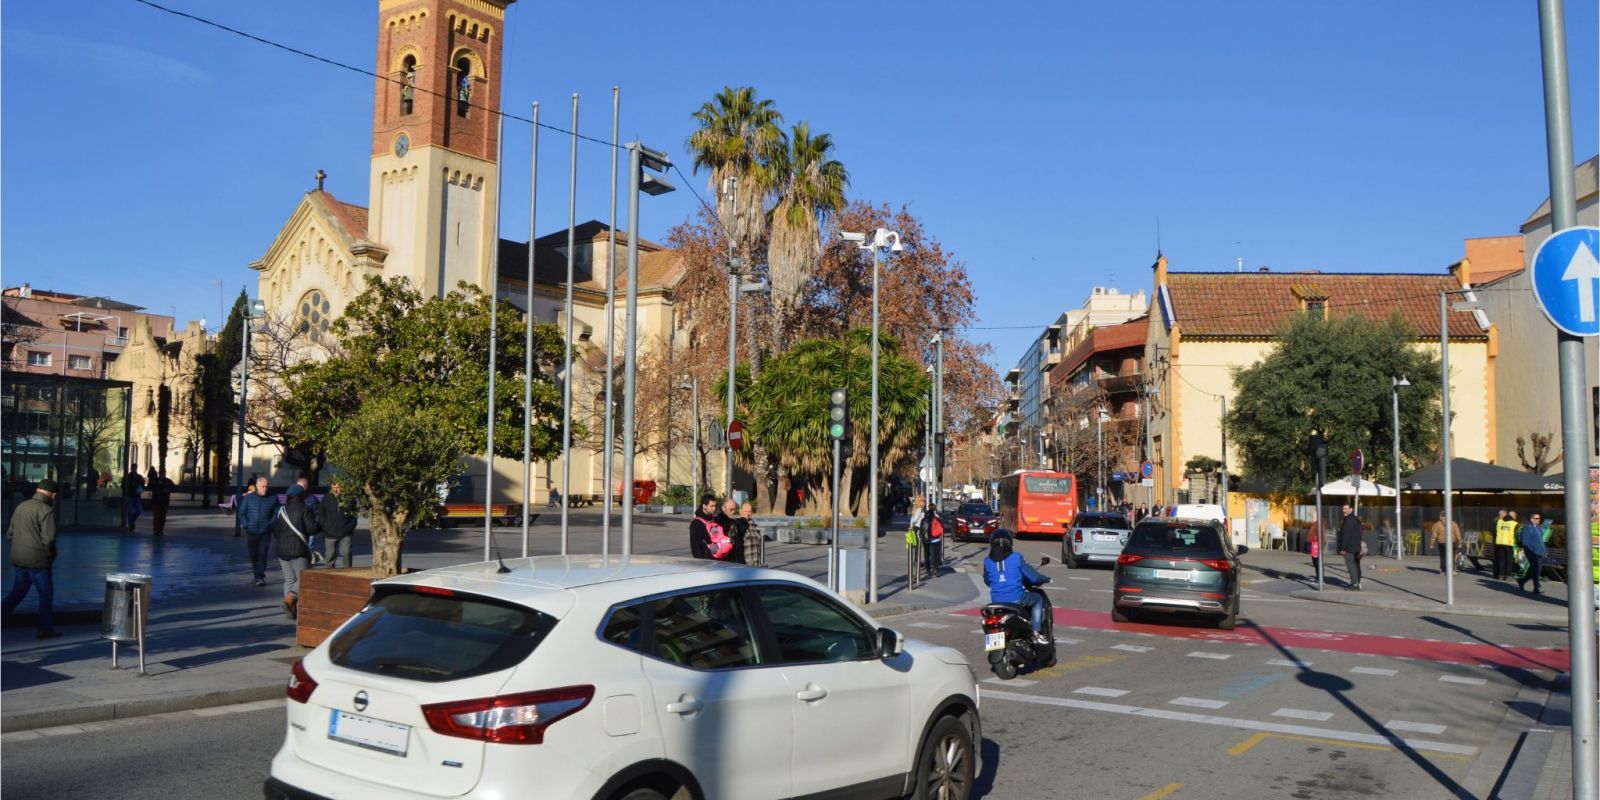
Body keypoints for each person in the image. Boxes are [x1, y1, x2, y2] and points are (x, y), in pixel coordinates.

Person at [2, 479, 61, 639]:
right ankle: (45, 628)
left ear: (37, 490)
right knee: (45, 593)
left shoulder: (21, 506)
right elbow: (49, 539)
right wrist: (50, 555)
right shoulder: (46, 510)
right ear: (52, 494)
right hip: (38, 561)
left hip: (19, 558)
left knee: (17, 592)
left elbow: (10, 534)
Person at [982, 530, 1050, 644]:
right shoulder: (1016, 557)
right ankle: (1036, 632)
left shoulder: (987, 561)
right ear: (1010, 543)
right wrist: (1044, 578)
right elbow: (1034, 578)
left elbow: (988, 581)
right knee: (1038, 599)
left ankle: (994, 643)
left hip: (996, 601)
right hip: (1017, 599)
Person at [273, 484, 320, 619]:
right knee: (304, 578)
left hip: (281, 550)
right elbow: (312, 529)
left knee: (289, 579)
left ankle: (291, 609)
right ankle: (291, 597)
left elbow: (275, 531)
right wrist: (319, 524)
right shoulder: (305, 509)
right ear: (300, 495)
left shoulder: (282, 510)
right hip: (298, 550)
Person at [237, 477, 279, 586]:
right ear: (257, 486)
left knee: (262, 554)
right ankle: (256, 575)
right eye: (263, 486)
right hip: (251, 532)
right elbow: (241, 513)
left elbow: (277, 513)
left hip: (265, 532)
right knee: (253, 555)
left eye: (266, 486)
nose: (265, 489)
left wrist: (270, 525)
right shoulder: (249, 498)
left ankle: (260, 577)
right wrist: (246, 525)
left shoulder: (273, 498)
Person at [318, 479, 359, 568]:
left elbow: (355, 514)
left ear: (342, 487)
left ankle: (347, 571)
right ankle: (329, 573)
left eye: (338, 487)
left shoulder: (349, 498)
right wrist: (324, 526)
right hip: (330, 532)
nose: (336, 489)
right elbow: (321, 513)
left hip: (346, 532)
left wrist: (350, 526)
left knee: (346, 552)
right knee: (330, 555)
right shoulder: (326, 498)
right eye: (334, 487)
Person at [1516, 512, 1549, 595]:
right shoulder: (1527, 527)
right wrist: (1531, 551)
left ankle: (1522, 581)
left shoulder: (1538, 527)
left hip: (1539, 552)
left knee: (1534, 569)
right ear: (1532, 519)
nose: (1539, 520)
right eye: (1537, 518)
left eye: (1539, 518)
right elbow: (1525, 542)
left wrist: (1545, 550)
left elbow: (1541, 540)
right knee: (1537, 568)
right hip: (1532, 552)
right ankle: (1536, 587)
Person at [1336, 503, 1364, 590]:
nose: (1344, 510)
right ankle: (1357, 583)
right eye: (1343, 509)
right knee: (1356, 565)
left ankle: (1354, 585)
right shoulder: (1356, 519)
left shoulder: (1348, 520)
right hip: (1356, 546)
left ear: (1351, 509)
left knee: (1351, 565)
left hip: (1349, 547)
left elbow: (1346, 535)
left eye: (1346, 509)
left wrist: (1342, 548)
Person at [689, 493, 724, 560]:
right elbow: (695, 546)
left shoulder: (713, 520)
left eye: (715, 506)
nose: (714, 508)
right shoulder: (696, 523)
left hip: (717, 557)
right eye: (711, 506)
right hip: (705, 560)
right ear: (704, 506)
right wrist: (700, 562)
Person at [1428, 510, 1463, 575]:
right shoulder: (1453, 523)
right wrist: (1459, 542)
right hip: (1452, 542)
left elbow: (1434, 535)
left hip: (1442, 542)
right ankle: (1452, 570)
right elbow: (1458, 534)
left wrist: (1432, 544)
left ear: (1440, 516)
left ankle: (1443, 570)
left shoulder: (1437, 524)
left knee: (1443, 556)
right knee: (1452, 556)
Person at [1494, 510, 1518, 581]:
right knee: (1508, 560)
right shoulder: (1514, 523)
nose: (1515, 518)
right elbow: (1516, 534)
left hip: (1499, 543)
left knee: (1501, 560)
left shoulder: (1499, 522)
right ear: (1513, 516)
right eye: (1515, 516)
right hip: (1508, 543)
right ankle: (1508, 576)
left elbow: (1495, 530)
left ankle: (1501, 575)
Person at [719, 498, 745, 565]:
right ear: (723, 509)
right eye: (731, 510)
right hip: (723, 561)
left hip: (736, 560)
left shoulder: (735, 523)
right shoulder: (717, 523)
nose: (733, 512)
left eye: (734, 510)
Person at [121, 466, 145, 532]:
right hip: (129, 496)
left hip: (137, 496)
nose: (134, 469)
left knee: (138, 510)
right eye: (133, 468)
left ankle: (131, 522)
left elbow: (143, 485)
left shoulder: (139, 477)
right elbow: (123, 486)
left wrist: (140, 489)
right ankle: (131, 524)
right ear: (131, 469)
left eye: (135, 468)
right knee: (130, 512)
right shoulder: (127, 477)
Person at [149, 471, 173, 536]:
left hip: (164, 502)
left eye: (162, 474)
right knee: (157, 516)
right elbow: (150, 487)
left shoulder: (168, 481)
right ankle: (157, 529)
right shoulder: (155, 481)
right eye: (160, 474)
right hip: (156, 502)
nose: (161, 475)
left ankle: (160, 529)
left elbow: (174, 488)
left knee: (162, 517)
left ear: (164, 474)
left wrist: (168, 490)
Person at [739, 501, 762, 566]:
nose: (748, 514)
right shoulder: (738, 525)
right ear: (740, 511)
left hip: (756, 564)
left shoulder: (754, 525)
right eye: (745, 511)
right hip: (745, 564)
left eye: (749, 511)